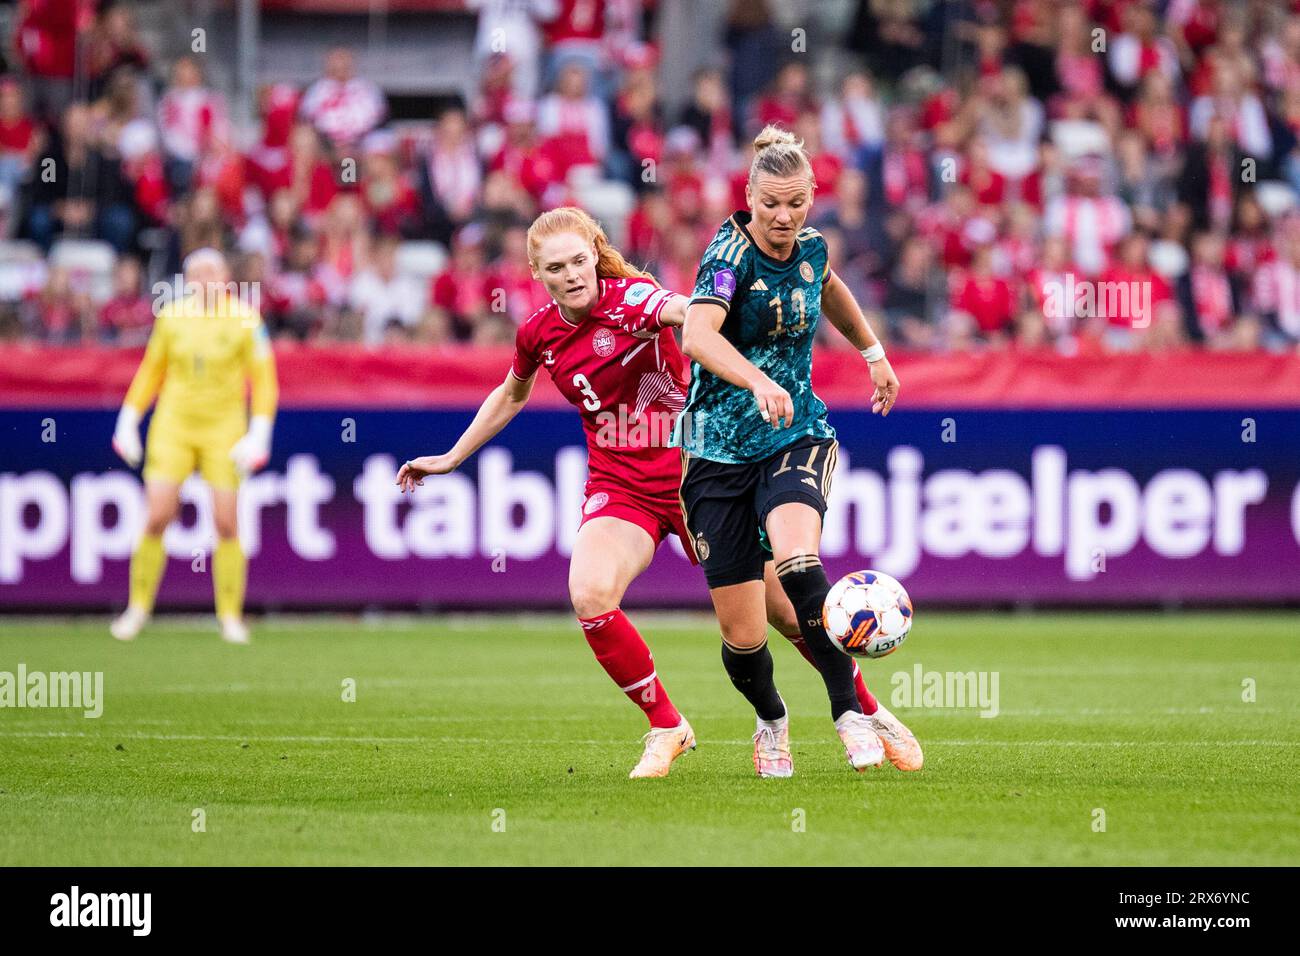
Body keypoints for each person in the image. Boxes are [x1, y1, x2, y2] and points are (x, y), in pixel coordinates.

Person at [396, 207, 880, 777]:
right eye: (556, 267)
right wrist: (453, 457)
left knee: (784, 614)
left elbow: (683, 313)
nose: (572, 274)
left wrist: (728, 332)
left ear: (596, 252)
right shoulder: (539, 333)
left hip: (692, 477)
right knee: (590, 594)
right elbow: (512, 392)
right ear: (537, 273)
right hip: (620, 485)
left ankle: (867, 712)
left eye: (580, 260)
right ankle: (667, 725)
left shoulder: (634, 299)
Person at [675, 126, 923, 778]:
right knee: (745, 635)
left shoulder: (812, 247)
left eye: (796, 203)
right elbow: (697, 335)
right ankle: (772, 719)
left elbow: (829, 289)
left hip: (796, 433)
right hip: (716, 453)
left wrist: (874, 353)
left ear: (813, 196)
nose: (783, 218)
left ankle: (848, 713)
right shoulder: (726, 256)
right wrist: (756, 380)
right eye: (770, 205)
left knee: (797, 558)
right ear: (748, 196)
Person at [109, 248, 278, 645]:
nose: (206, 280)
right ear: (187, 280)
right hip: (174, 425)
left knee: (226, 522)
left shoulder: (246, 319)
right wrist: (129, 420)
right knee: (157, 516)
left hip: (224, 429)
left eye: (212, 273)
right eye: (198, 274)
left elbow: (265, 379)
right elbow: (151, 371)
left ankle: (230, 615)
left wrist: (259, 431)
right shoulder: (171, 318)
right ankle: (137, 608)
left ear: (226, 278)